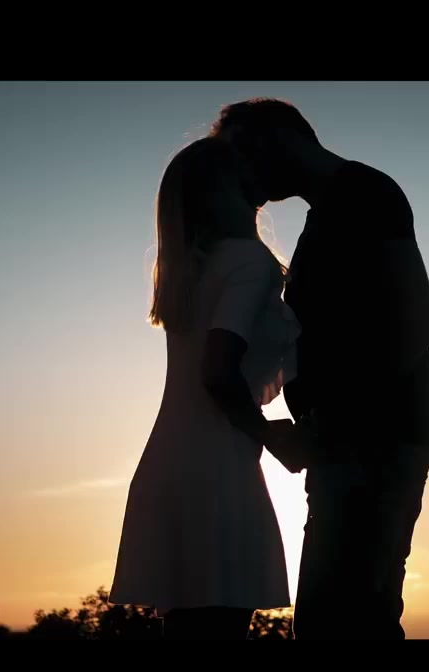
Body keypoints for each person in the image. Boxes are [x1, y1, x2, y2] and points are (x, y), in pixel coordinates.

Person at [211, 98, 429, 640]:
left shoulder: (366, 194)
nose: (240, 171)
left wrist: (333, 419)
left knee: (344, 617)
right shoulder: (331, 210)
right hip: (348, 443)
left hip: (374, 441)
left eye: (243, 151)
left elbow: (417, 320)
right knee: (344, 617)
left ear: (279, 136)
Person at [109, 136, 299, 640]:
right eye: (243, 170)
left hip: (171, 468)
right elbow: (217, 369)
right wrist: (272, 437)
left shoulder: (192, 270)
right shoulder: (248, 262)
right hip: (218, 474)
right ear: (224, 188)